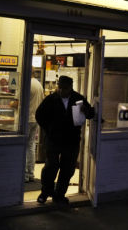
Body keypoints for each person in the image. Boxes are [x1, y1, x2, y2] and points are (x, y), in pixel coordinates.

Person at [35, 75, 94, 204]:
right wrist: (48, 129)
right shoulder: (51, 99)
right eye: (60, 88)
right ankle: (45, 192)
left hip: (71, 140)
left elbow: (92, 114)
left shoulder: (78, 99)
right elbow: (39, 115)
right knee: (51, 166)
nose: (62, 91)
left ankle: (59, 194)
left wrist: (87, 110)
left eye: (65, 88)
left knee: (68, 169)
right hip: (53, 139)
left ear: (70, 88)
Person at [25, 76, 44, 182]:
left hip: (26, 119)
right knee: (31, 146)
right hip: (35, 119)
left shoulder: (26, 84)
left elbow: (18, 103)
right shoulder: (39, 84)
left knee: (24, 146)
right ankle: (30, 173)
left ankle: (24, 175)